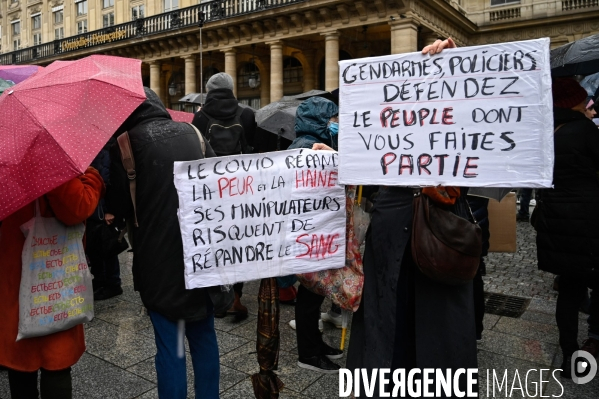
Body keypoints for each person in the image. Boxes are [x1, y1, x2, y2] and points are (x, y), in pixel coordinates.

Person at [344, 38, 478, 396]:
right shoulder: (389, 119)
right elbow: (367, 153)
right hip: (391, 230)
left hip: (441, 231)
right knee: (387, 327)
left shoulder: (457, 116)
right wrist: (335, 156)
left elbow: (482, 108)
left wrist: (456, 56)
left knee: (437, 332)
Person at [108, 88, 233, 399]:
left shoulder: (124, 144)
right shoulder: (192, 132)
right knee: (204, 337)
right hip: (200, 253)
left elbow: (118, 208)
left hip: (157, 261)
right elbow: (220, 182)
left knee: (172, 346)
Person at [0, 168, 104, 399]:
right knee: (55, 357)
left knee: (20, 358)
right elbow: (78, 207)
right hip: (53, 272)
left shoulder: (7, 163)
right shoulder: (51, 163)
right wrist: (91, 175)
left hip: (12, 272)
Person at [536, 78, 599, 378]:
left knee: (570, 293)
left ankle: (569, 357)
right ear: (575, 102)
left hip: (557, 222)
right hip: (589, 220)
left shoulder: (547, 134)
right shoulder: (586, 131)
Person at [192, 72, 256, 320]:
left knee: (214, 239)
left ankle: (217, 294)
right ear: (231, 89)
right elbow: (254, 150)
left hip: (211, 191)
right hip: (241, 189)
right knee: (238, 241)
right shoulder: (247, 114)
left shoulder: (200, 116)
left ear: (208, 90)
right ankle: (235, 297)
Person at [288, 96, 344, 373]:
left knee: (314, 293)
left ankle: (316, 345)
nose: (336, 124)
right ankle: (308, 354)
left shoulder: (320, 144)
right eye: (333, 119)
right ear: (320, 120)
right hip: (309, 234)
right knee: (309, 296)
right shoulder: (305, 147)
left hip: (317, 232)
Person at [86, 138, 124, 301]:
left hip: (104, 208)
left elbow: (110, 181)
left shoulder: (107, 150)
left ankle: (113, 283)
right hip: (96, 206)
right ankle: (100, 279)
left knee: (107, 245)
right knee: (95, 244)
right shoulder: (96, 148)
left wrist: (110, 210)